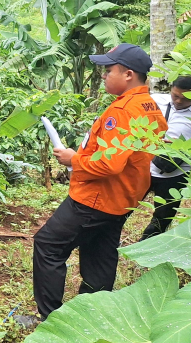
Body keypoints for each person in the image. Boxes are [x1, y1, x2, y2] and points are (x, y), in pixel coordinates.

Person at [19, 44, 167, 326]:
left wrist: (75, 159)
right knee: (100, 251)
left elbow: (110, 164)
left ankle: (49, 320)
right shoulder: (150, 107)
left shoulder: (122, 111)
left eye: (108, 70)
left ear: (128, 74)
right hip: (122, 199)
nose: (103, 76)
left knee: (48, 246)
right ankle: (94, 319)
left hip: (95, 197)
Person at [141, 74, 191, 239]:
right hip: (145, 166)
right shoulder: (155, 101)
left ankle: (147, 245)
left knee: (163, 215)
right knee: (125, 204)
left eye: (184, 98)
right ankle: (110, 237)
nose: (178, 101)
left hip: (176, 173)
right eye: (175, 96)